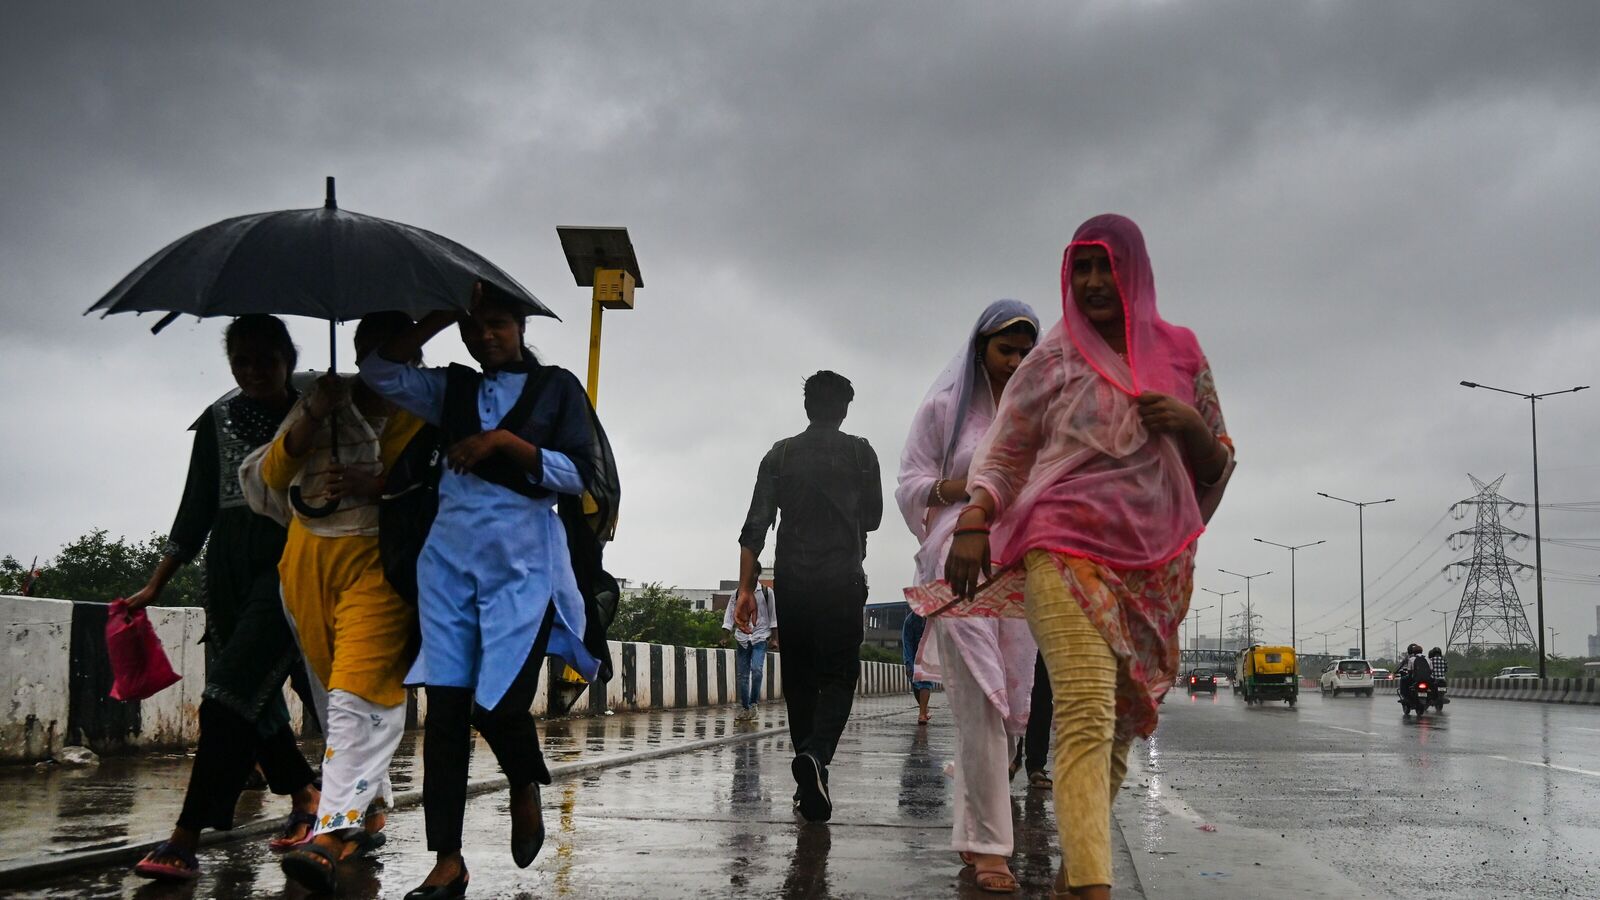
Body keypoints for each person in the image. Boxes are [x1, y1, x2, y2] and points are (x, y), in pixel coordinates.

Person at [945, 215, 1234, 899]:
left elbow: (1218, 460)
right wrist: (975, 518)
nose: (1096, 282)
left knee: (1120, 726)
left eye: (1108, 266)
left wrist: (1190, 427)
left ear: (1135, 271)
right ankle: (1094, 891)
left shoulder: (1182, 353)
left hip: (1155, 569)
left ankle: (1075, 877)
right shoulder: (1053, 359)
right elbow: (1007, 452)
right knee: (1084, 709)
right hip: (1062, 548)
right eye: (1083, 268)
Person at [361, 285, 606, 900]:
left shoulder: (556, 388)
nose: (484, 336)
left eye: (496, 323)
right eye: (472, 327)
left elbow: (582, 474)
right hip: (446, 565)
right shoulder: (451, 388)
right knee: (444, 713)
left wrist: (503, 443)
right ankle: (448, 861)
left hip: (523, 569)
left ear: (520, 326)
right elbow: (379, 371)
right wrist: (439, 313)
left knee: (496, 707)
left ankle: (524, 781)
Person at [127, 315, 320, 882]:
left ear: (288, 360)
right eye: (242, 361)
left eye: (266, 360)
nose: (254, 371)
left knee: (225, 698)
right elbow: (196, 506)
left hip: (291, 567)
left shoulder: (318, 415)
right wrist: (157, 582)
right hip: (228, 572)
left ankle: (187, 836)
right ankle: (306, 793)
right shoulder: (216, 419)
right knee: (256, 703)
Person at [245, 313, 424, 893]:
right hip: (306, 566)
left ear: (414, 355)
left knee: (357, 693)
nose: (377, 362)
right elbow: (276, 471)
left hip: (379, 565)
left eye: (392, 351)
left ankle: (331, 829)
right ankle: (370, 805)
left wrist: (381, 487)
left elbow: (440, 488)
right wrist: (316, 412)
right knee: (330, 694)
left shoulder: (427, 410)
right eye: (366, 349)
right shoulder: (325, 397)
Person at [898, 299, 1040, 893]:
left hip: (1022, 566)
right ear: (981, 349)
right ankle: (988, 848)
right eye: (1006, 349)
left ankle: (975, 825)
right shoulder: (943, 410)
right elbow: (911, 484)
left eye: (1026, 352)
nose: (1016, 362)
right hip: (958, 564)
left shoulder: (1039, 413)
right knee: (982, 698)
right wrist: (969, 491)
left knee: (1007, 705)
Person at [736, 370, 882, 824]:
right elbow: (874, 518)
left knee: (798, 680)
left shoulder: (779, 454)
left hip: (793, 584)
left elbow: (755, 527)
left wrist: (745, 590)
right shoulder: (861, 453)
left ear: (806, 407)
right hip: (842, 582)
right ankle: (816, 758)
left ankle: (808, 778)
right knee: (839, 675)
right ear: (844, 410)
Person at [723, 561, 778, 721]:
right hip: (742, 638)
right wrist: (725, 635)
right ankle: (745, 707)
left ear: (756, 574)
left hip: (760, 637)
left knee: (757, 669)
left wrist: (774, 639)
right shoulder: (737, 594)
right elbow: (729, 615)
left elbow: (773, 617)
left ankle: (753, 704)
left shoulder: (767, 593)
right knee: (743, 675)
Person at [900, 611, 936, 724]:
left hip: (929, 654)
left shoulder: (935, 620)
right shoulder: (910, 621)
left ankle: (922, 714)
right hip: (913, 655)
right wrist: (908, 663)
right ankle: (923, 708)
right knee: (915, 683)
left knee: (925, 682)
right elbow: (907, 643)